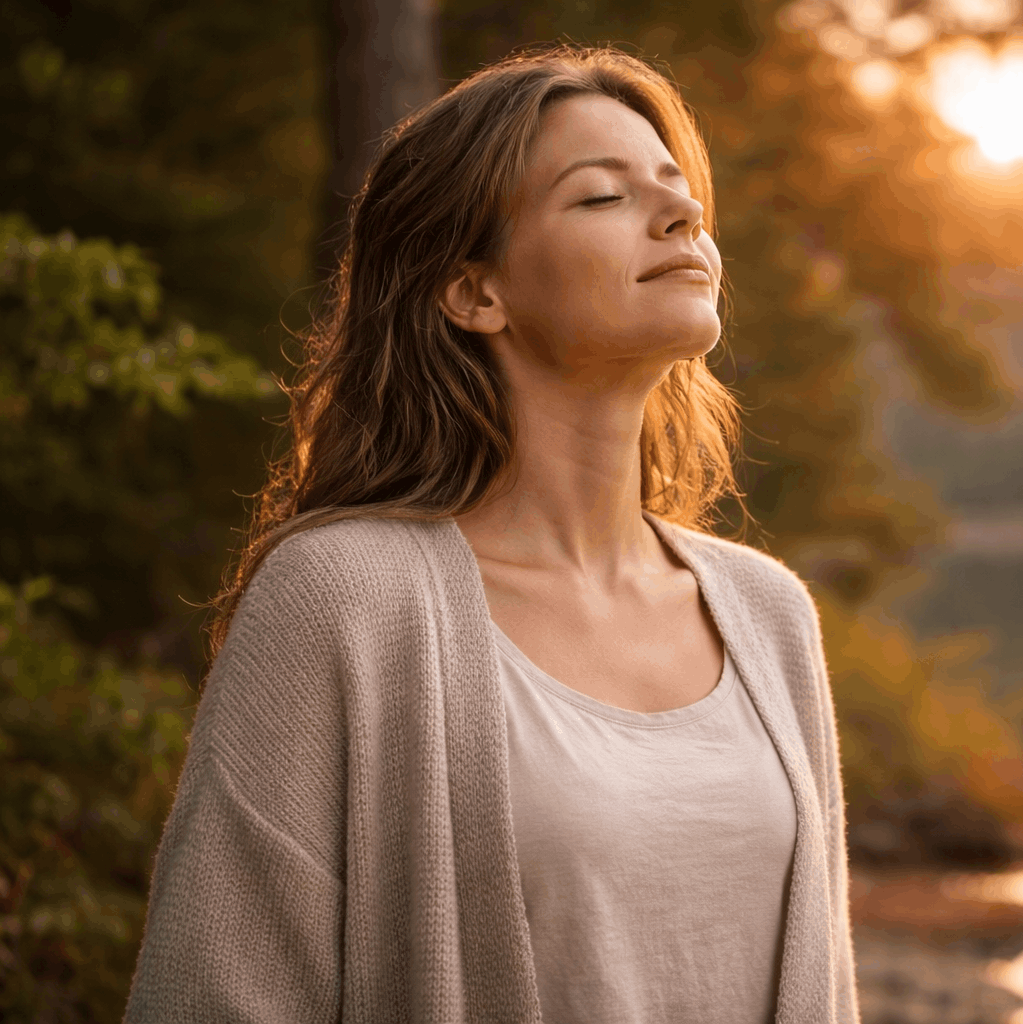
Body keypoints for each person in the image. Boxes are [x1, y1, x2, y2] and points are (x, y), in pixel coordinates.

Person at [125, 45, 857, 1024]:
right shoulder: (343, 595)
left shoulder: (769, 614)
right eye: (601, 198)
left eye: (679, 193)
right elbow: (213, 996)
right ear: (473, 291)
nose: (682, 216)